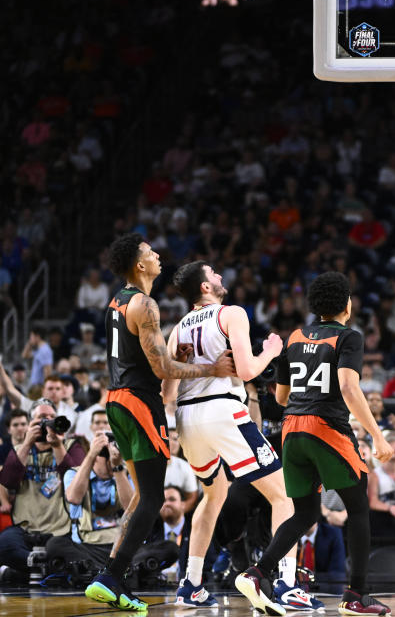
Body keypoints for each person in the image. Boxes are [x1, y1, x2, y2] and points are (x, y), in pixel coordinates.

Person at [84, 233, 235, 612]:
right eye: (150, 253)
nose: (157, 257)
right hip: (138, 404)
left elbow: (154, 362)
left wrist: (176, 355)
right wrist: (210, 367)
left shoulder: (116, 302)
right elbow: (162, 367)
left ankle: (110, 578)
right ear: (139, 265)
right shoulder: (145, 303)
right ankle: (111, 576)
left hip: (117, 400)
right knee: (152, 496)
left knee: (139, 497)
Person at [234, 271, 394, 616]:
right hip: (327, 428)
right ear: (346, 305)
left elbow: (280, 396)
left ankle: (258, 571)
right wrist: (378, 435)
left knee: (305, 512)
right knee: (358, 507)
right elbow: (350, 388)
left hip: (292, 430)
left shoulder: (294, 337)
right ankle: (358, 595)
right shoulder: (348, 338)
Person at [161, 261, 305, 609]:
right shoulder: (231, 313)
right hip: (223, 411)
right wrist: (270, 350)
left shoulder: (178, 328)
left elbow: (166, 393)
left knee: (214, 495)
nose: (221, 277)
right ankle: (287, 585)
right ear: (205, 287)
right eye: (214, 274)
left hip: (187, 418)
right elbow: (246, 369)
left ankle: (190, 585)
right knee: (285, 496)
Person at [46, 430, 177, 574]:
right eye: (105, 456)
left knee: (170, 548)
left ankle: (104, 570)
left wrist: (118, 468)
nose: (111, 460)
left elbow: (132, 508)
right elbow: (74, 498)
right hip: (88, 546)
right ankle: (115, 571)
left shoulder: (125, 472)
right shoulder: (74, 473)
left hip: (121, 547)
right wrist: (91, 455)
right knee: (55, 545)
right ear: (96, 456)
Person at [0, 400, 86, 577]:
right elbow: (8, 481)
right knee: (5, 543)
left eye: (52, 418)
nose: (47, 422)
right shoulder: (19, 449)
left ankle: (26, 570)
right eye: (41, 418)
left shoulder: (72, 446)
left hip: (61, 530)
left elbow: (76, 482)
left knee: (71, 551)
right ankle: (45, 567)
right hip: (25, 528)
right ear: (31, 423)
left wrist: (57, 446)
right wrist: (27, 443)